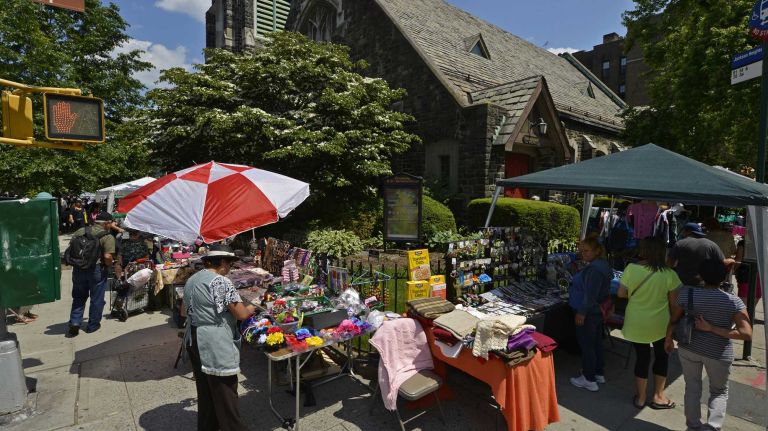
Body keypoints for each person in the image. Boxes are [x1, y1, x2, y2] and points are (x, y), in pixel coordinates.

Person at [666, 259, 752, 431]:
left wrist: (668, 338)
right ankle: (712, 427)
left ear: (700, 276)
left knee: (692, 387)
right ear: (723, 278)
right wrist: (713, 328)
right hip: (718, 353)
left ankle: (693, 426)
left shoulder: (687, 293)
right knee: (719, 391)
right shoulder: (733, 301)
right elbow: (746, 333)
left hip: (688, 347)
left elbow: (674, 319)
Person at [183, 244, 255, 431]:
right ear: (222, 262)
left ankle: (208, 426)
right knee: (225, 391)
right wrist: (252, 307)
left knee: (206, 389)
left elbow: (184, 311)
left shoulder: (192, 279)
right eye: (230, 263)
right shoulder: (221, 281)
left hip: (193, 337)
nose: (230, 267)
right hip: (214, 339)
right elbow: (240, 314)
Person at [618, 237, 681, 409]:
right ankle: (658, 396)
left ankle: (641, 397)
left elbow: (621, 293)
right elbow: (675, 306)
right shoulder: (670, 274)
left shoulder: (631, 268)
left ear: (644, 250)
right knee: (661, 356)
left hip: (636, 320)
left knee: (642, 358)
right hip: (660, 324)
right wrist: (672, 331)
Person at [569, 235, 612, 392]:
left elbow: (590, 295)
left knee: (587, 345)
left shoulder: (594, 269)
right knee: (595, 343)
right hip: (595, 311)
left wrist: (581, 313)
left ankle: (589, 379)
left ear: (597, 251)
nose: (583, 254)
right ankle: (597, 372)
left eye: (586, 251)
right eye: (581, 251)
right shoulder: (601, 265)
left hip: (588, 312)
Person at [67, 211, 116, 337]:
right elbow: (107, 256)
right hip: (96, 269)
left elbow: (71, 247)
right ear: (106, 223)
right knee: (97, 299)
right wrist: (110, 265)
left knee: (78, 297)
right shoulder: (107, 236)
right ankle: (92, 325)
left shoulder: (81, 231)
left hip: (78, 268)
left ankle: (75, 323)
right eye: (111, 223)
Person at [667, 223, 732, 286]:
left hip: (681, 284)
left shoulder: (679, 244)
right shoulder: (711, 244)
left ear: (687, 232)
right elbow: (724, 262)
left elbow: (669, 265)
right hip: (703, 285)